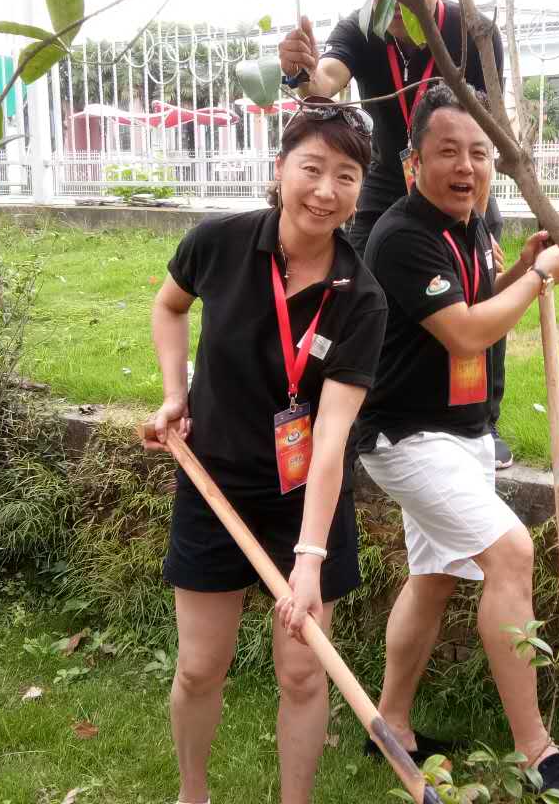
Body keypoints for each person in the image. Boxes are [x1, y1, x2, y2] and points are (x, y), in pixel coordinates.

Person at [356, 82, 559, 804]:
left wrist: (519, 270)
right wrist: (540, 282)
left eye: (480, 153)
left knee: (434, 577)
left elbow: (473, 297)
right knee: (511, 552)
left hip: (463, 432)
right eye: (448, 152)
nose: (466, 166)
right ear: (413, 162)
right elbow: (464, 332)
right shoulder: (401, 236)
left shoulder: (469, 222)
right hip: (405, 436)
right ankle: (537, 751)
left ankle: (392, 725)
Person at [142, 98, 387, 804]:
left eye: (345, 176)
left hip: (306, 501)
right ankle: (192, 794)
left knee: (304, 673)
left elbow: (332, 436)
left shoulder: (361, 298)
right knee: (199, 668)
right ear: (279, 169)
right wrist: (175, 393)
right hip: (214, 484)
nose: (325, 190)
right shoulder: (217, 244)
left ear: (359, 190)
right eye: (312, 168)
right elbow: (169, 306)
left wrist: (309, 559)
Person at [278, 0, 517, 470]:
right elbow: (325, 83)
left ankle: (485, 419)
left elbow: (483, 125)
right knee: (358, 290)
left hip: (458, 181)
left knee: (479, 291)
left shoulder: (473, 31)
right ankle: (362, 409)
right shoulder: (360, 28)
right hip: (389, 180)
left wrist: (478, 224)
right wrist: (301, 73)